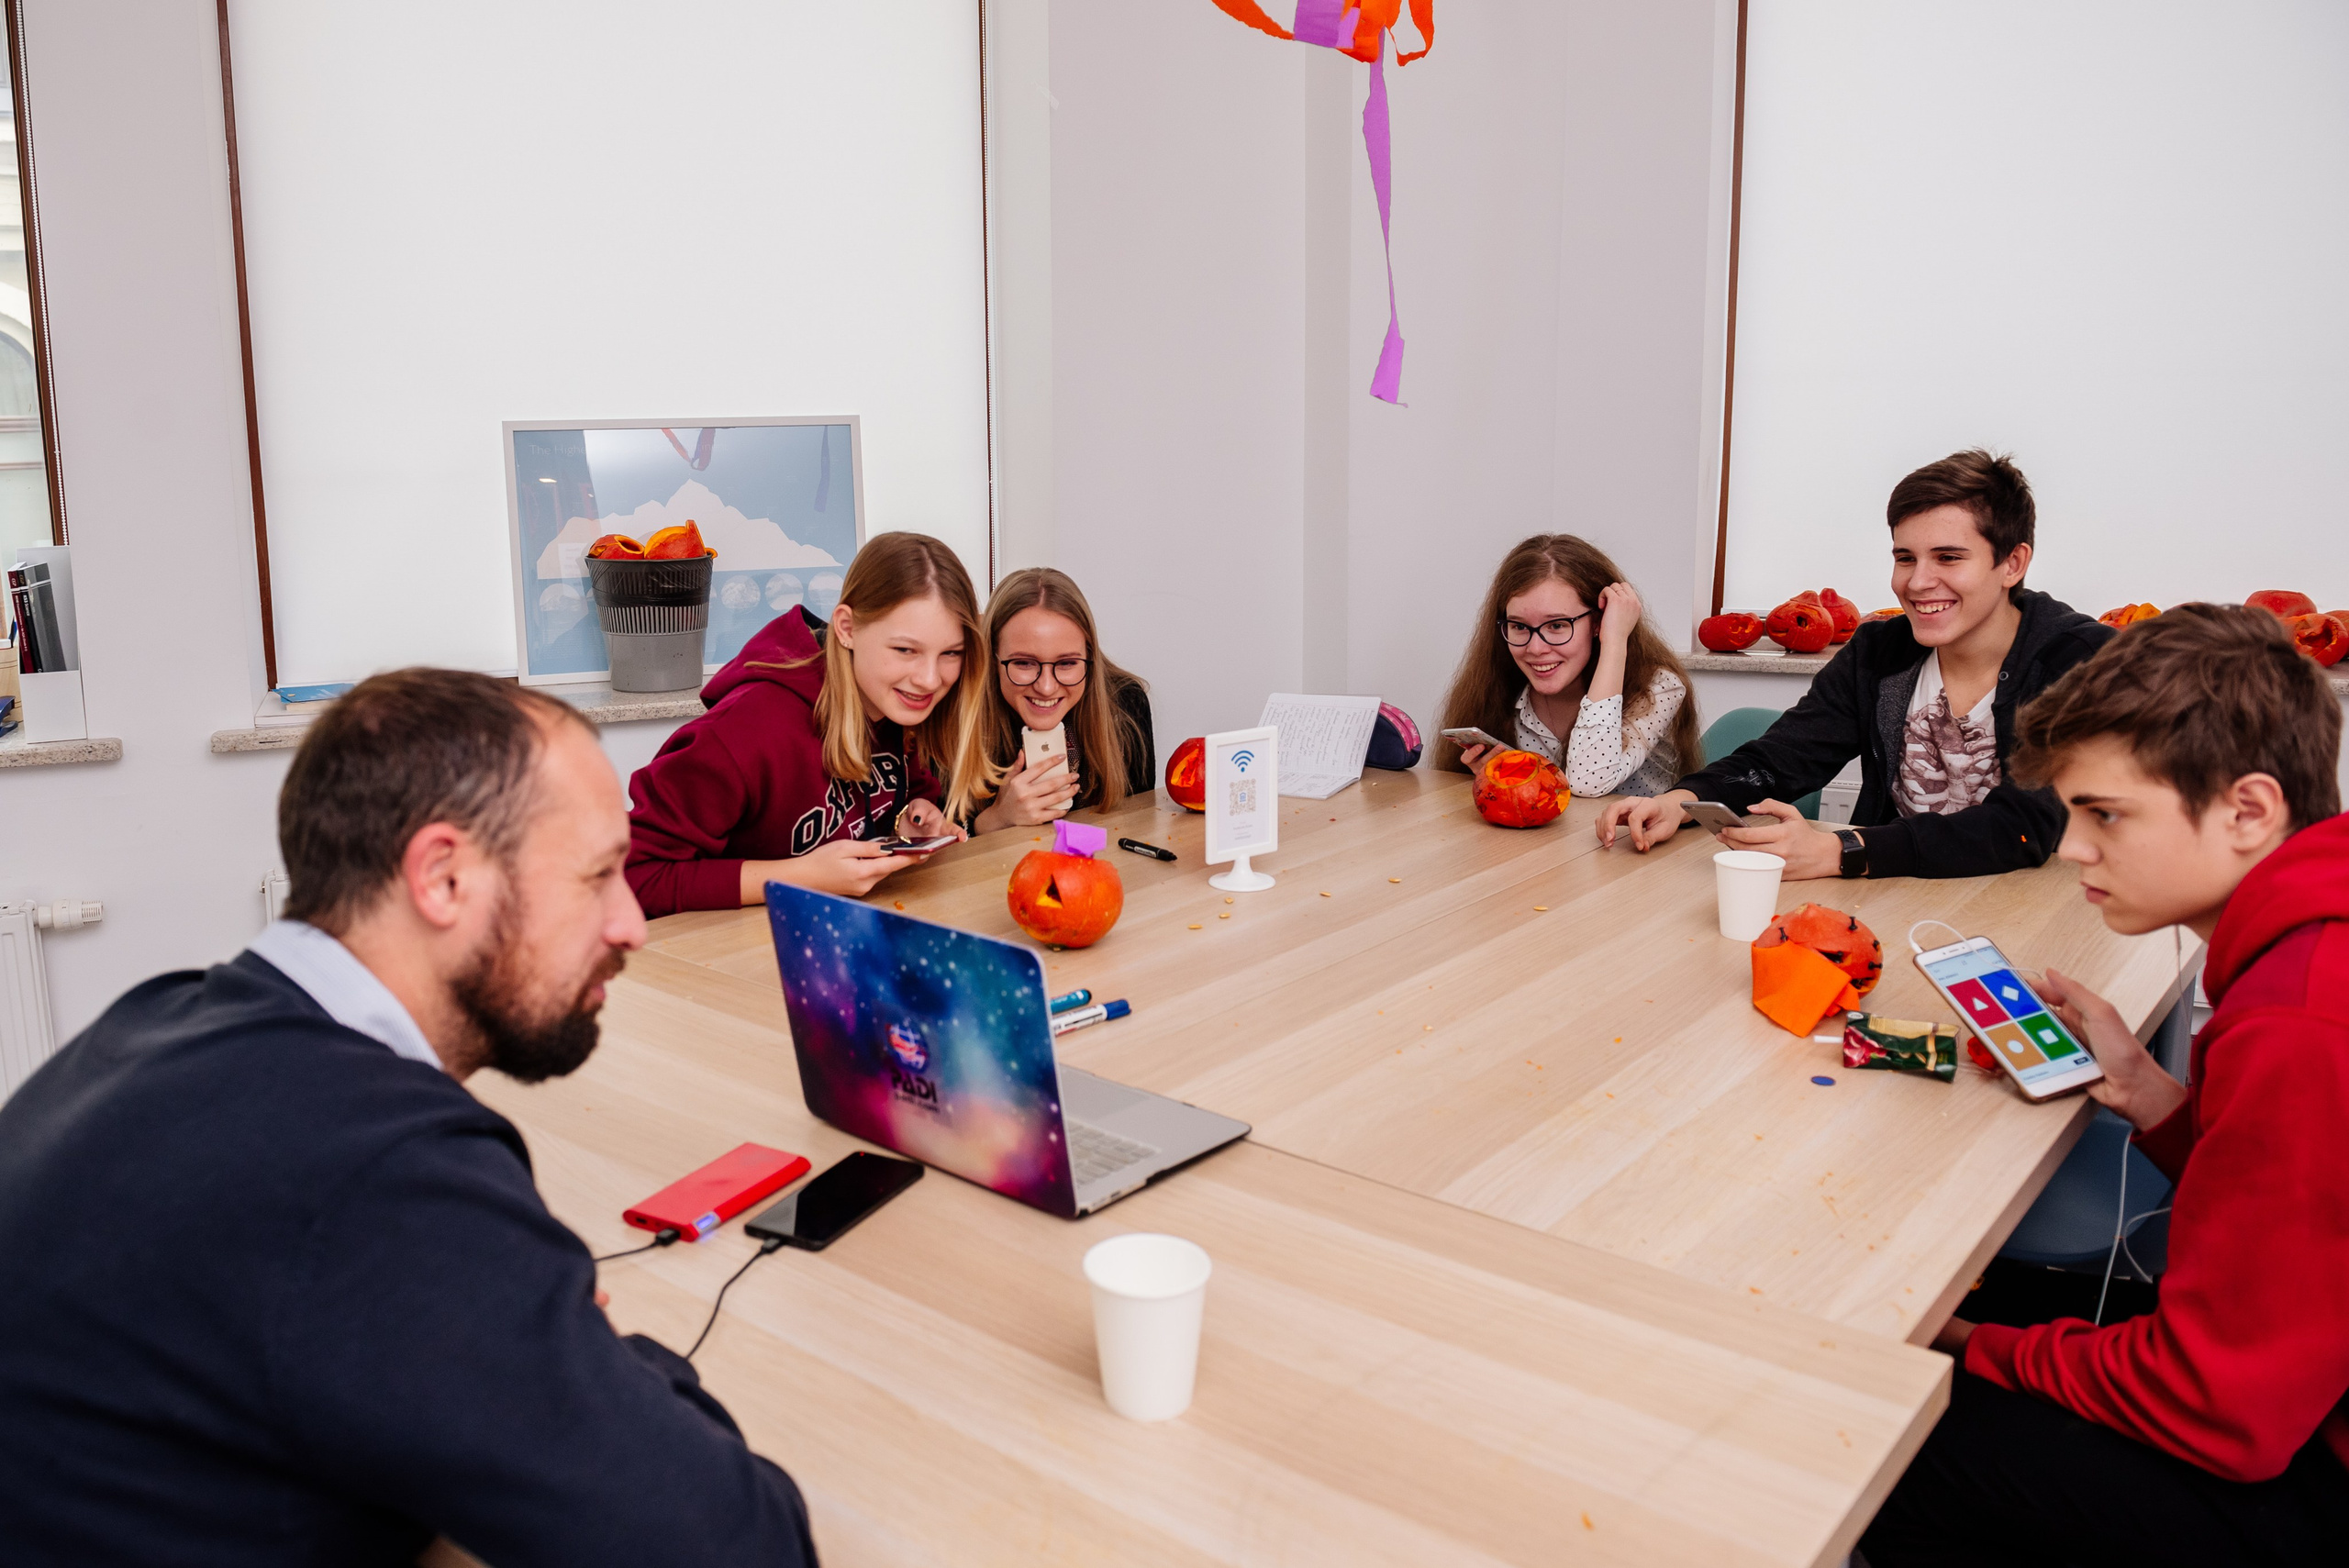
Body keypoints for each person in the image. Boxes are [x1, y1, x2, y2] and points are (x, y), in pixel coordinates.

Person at [0, 670, 819, 1567]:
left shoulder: (157, 1018)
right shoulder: (374, 1167)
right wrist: (603, 1352)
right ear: (441, 876)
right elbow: (740, 1544)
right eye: (596, 874)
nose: (630, 922)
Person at [1859, 605, 2349, 1566]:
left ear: (2247, 809)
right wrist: (2148, 1092)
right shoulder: (2306, 945)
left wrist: (1972, 1339)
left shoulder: (2299, 1019)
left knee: (1888, 1441)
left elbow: (2218, 1408)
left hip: (2307, 1463)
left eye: (2104, 814)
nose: (2073, 846)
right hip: (2302, 1382)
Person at [1598, 450, 2112, 879]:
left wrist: (1844, 849)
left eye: (1949, 558)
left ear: (2012, 564)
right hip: (1895, 895)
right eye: (1905, 557)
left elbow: (2023, 827)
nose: (1917, 582)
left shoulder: (2078, 661)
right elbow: (1784, 758)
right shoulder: (1879, 652)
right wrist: (1682, 799)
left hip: (2039, 906)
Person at [626, 531, 982, 917]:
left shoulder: (894, 705)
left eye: (951, 653)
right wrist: (799, 876)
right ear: (847, 628)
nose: (930, 679)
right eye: (905, 650)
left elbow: (903, 795)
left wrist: (910, 819)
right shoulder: (744, 731)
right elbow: (632, 878)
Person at [1437, 534, 1700, 797]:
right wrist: (1500, 783)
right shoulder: (1501, 690)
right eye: (1518, 626)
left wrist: (1616, 641)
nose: (1535, 649)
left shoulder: (1659, 687)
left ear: (1599, 622)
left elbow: (1588, 781)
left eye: (1557, 625)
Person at [953, 566, 1154, 832]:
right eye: (1024, 663)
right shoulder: (956, 715)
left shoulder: (1125, 706)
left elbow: (1139, 823)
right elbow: (937, 850)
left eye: (1067, 663)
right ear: (992, 660)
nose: (1046, 687)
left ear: (1089, 657)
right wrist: (996, 819)